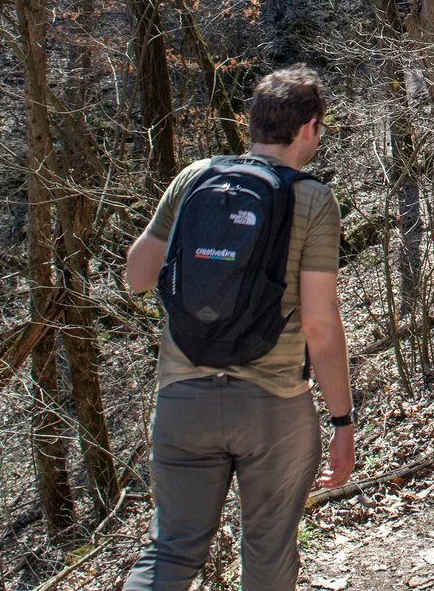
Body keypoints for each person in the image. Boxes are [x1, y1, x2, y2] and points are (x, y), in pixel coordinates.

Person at [121, 65, 355, 591]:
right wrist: (342, 420)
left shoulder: (195, 178)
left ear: (250, 124)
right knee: (268, 549)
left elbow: (137, 277)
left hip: (182, 399)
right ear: (310, 128)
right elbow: (320, 324)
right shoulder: (313, 200)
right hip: (272, 406)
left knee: (170, 551)